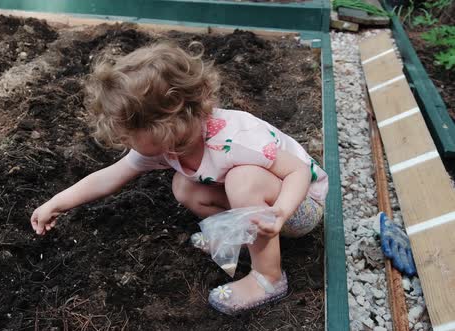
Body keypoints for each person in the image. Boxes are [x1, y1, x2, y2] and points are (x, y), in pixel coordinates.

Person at [30, 42, 328, 315]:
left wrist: (280, 213)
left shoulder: (237, 140)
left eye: (130, 135)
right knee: (184, 186)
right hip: (268, 202)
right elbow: (110, 177)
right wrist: (57, 203)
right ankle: (238, 236)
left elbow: (297, 172)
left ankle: (269, 277)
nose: (126, 142)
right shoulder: (168, 143)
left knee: (243, 180)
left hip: (300, 205)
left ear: (165, 125)